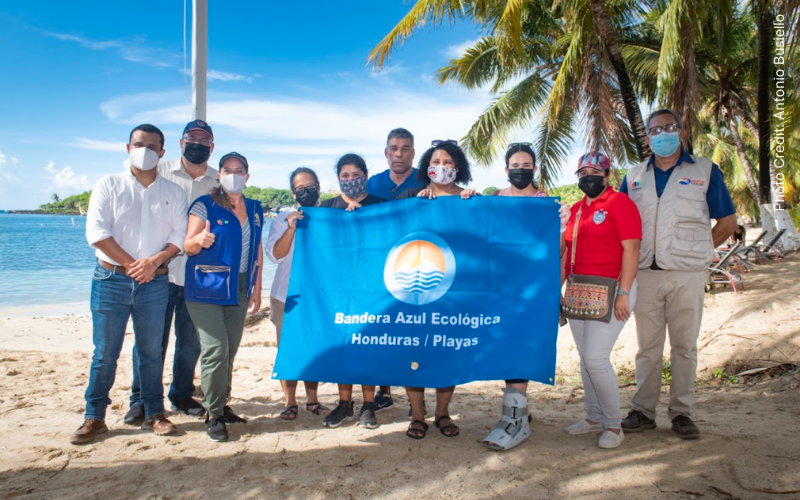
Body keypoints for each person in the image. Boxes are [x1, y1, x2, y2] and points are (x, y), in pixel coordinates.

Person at [619, 109, 737, 440]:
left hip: (688, 275)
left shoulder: (705, 170)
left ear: (681, 131)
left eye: (669, 127)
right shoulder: (633, 176)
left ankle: (682, 413)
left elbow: (728, 223)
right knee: (647, 348)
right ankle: (643, 411)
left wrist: (698, 251)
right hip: (646, 275)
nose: (662, 134)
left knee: (684, 347)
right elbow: (621, 224)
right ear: (647, 137)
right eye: (655, 130)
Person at [71, 124, 188, 445]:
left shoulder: (173, 192)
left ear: (162, 153)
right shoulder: (108, 184)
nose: (145, 151)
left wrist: (153, 263)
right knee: (105, 353)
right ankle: (94, 417)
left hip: (155, 282)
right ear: (128, 148)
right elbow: (97, 232)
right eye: (139, 145)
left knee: (151, 351)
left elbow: (179, 236)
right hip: (111, 280)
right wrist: (135, 265)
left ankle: (154, 413)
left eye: (152, 146)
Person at [125, 119, 218, 425]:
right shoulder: (158, 171)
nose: (197, 143)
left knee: (190, 342)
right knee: (151, 342)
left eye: (204, 140)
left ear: (212, 147)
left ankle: (181, 394)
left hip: (198, 276)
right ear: (181, 143)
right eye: (192, 138)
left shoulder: (218, 182)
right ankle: (141, 398)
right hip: (158, 272)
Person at [482, 143, 571, 451]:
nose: (520, 170)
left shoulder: (544, 204)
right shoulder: (494, 198)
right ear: (506, 170)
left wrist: (560, 226)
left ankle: (515, 420)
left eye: (526, 165)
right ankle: (519, 410)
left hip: (531, 291)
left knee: (520, 350)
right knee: (506, 350)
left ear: (534, 169)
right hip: (499, 290)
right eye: (515, 165)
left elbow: (558, 251)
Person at [560, 151, 642, 449]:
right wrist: (557, 290)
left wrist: (624, 292)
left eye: (595, 172)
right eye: (582, 173)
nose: (588, 177)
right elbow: (566, 253)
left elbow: (632, 249)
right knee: (586, 357)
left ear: (607, 175)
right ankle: (594, 417)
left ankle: (613, 425)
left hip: (614, 288)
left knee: (596, 358)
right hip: (580, 291)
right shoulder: (575, 209)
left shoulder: (620, 203)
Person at [396, 140, 477, 439]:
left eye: (448, 162)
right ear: (426, 167)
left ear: (458, 167)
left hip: (454, 292)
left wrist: (473, 204)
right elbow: (383, 226)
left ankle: (443, 413)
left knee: (447, 352)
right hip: (415, 290)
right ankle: (418, 415)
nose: (441, 167)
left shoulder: (471, 199)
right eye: (435, 162)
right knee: (414, 353)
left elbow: (486, 236)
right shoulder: (410, 196)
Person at [183, 152, 264, 442]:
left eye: (238, 170)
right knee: (215, 349)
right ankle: (213, 413)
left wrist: (257, 287)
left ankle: (222, 402)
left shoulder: (255, 209)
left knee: (229, 350)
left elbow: (257, 249)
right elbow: (188, 246)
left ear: (247, 176)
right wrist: (198, 240)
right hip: (207, 285)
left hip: (240, 287)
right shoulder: (204, 205)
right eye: (227, 170)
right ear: (219, 175)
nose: (233, 174)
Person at [317, 154, 385, 429]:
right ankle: (345, 404)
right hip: (338, 288)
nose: (350, 180)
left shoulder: (380, 205)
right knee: (342, 345)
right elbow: (321, 243)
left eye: (356, 175)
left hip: (370, 287)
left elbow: (385, 241)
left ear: (365, 176)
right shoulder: (328, 207)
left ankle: (368, 405)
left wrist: (363, 219)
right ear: (338, 179)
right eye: (345, 176)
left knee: (367, 344)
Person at [366, 128, 424, 412]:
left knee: (415, 334)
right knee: (383, 331)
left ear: (413, 152)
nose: (399, 154)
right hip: (380, 267)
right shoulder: (372, 184)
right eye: (393, 148)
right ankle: (384, 391)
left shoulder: (426, 181)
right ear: (386, 152)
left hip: (418, 266)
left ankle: (417, 400)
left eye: (405, 148)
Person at [265, 167, 327, 421]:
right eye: (299, 188)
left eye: (310, 186)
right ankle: (290, 402)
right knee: (288, 349)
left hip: (317, 297)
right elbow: (275, 255)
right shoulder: (282, 219)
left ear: (318, 188)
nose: (305, 191)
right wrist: (290, 229)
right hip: (286, 296)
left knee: (313, 347)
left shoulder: (328, 217)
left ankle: (312, 399)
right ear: (293, 193)